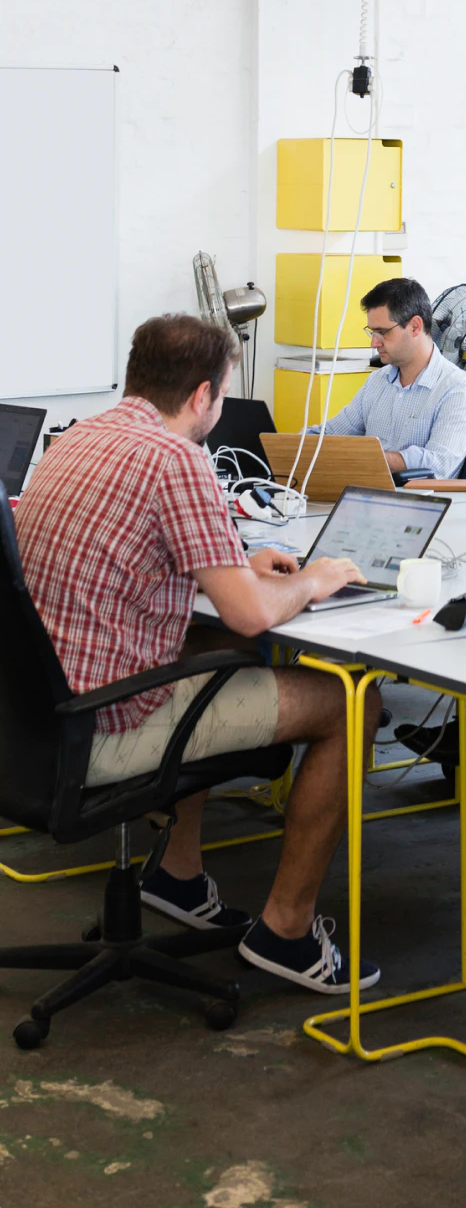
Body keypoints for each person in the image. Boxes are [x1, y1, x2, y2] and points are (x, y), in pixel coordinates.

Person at [15, 314, 384, 996]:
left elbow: (140, 551)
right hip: (102, 729)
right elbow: (250, 611)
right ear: (204, 396)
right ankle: (287, 930)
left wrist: (240, 561)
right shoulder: (177, 458)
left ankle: (176, 877)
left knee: (215, 643)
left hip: (34, 719)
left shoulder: (79, 437)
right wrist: (315, 578)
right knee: (347, 699)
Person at [307, 277, 466, 479]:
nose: (374, 343)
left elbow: (438, 463)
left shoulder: (458, 390)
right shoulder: (377, 381)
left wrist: (368, 457)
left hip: (420, 505)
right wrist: (288, 446)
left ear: (415, 326)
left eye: (382, 332)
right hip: (367, 498)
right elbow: (332, 434)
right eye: (372, 332)